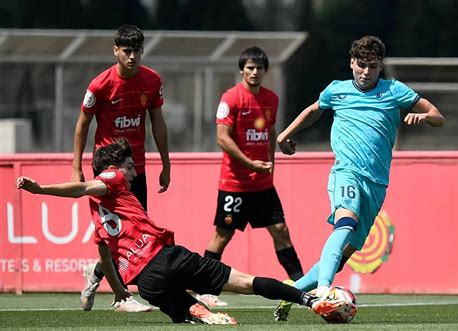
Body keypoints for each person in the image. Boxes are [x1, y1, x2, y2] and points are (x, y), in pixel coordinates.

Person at [17, 138, 330, 325]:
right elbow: (87, 185)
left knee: (183, 311)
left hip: (147, 284)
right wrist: (41, 189)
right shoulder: (112, 178)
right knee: (246, 282)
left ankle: (197, 311)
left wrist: (118, 293)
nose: (134, 170)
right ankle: (309, 299)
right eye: (130, 165)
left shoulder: (99, 218)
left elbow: (104, 256)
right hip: (167, 258)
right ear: (115, 167)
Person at [273, 35, 445, 321]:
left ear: (381, 67)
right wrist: (285, 134)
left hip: (376, 184)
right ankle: (324, 290)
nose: (367, 72)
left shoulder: (394, 91)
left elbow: (438, 116)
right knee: (345, 222)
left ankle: (290, 293)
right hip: (347, 173)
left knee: (341, 257)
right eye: (362, 65)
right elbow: (315, 110)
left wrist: (425, 117)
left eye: (373, 66)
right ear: (352, 63)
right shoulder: (336, 90)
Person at [71, 24, 171, 312]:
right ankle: (120, 296)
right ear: (116, 51)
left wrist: (166, 163)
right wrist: (76, 167)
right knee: (109, 232)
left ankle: (97, 273)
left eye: (137, 50)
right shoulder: (99, 84)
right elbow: (82, 125)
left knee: (136, 234)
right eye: (127, 50)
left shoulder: (152, 81)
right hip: (106, 169)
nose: (132, 56)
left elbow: (158, 123)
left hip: (135, 169)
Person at [199, 46, 304, 307]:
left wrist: (270, 165)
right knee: (223, 235)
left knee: (280, 231)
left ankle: (303, 286)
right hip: (234, 184)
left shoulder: (270, 99)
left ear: (265, 71)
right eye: (250, 68)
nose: (255, 72)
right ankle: (205, 289)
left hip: (262, 184)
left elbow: (269, 133)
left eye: (259, 68)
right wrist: (249, 164)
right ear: (241, 70)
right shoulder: (231, 99)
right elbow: (222, 138)